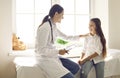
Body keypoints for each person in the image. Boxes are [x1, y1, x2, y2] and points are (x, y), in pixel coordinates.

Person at [35, 4, 84, 78]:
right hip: (45, 59)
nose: (63, 17)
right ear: (56, 14)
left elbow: (66, 37)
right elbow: (41, 50)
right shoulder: (45, 27)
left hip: (53, 56)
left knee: (76, 67)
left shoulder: (53, 26)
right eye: (62, 15)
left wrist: (81, 36)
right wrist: (58, 51)